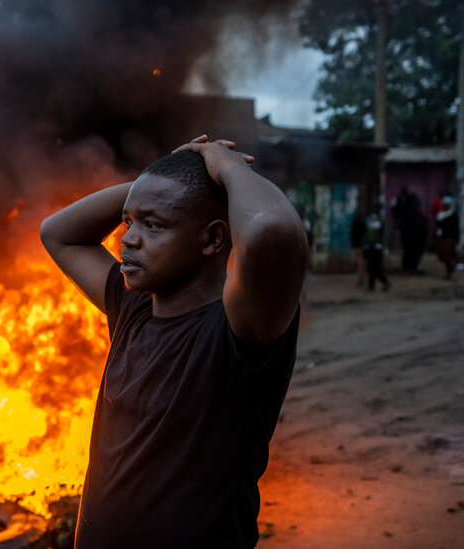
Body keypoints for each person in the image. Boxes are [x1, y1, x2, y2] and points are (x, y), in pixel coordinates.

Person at [40, 136, 307, 548]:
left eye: (153, 225)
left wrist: (226, 166)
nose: (127, 239)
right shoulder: (132, 311)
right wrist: (154, 181)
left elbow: (273, 233)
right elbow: (58, 233)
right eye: (129, 222)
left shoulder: (237, 332)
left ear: (212, 240)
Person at [363, 203, 390, 291]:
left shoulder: (381, 220)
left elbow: (383, 235)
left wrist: (384, 248)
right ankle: (371, 286)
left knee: (377, 268)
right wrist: (365, 244)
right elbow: (365, 234)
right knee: (371, 267)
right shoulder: (368, 219)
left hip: (377, 247)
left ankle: (384, 282)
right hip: (369, 247)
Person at [435, 196, 459, 279]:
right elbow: (438, 227)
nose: (445, 206)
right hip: (441, 238)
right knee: (442, 255)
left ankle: (449, 271)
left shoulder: (453, 215)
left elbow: (455, 229)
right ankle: (449, 270)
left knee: (447, 255)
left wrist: (456, 239)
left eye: (447, 204)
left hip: (449, 238)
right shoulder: (441, 215)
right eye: (444, 204)